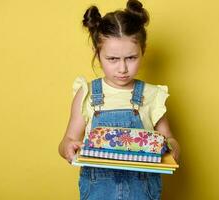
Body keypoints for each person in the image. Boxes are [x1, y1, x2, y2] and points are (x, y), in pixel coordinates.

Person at [58, 0, 180, 199]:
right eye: (113, 59)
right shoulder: (87, 93)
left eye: (131, 58)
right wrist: (68, 149)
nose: (122, 69)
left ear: (143, 51)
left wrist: (173, 149)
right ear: (98, 55)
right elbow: (67, 141)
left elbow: (169, 138)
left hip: (142, 191)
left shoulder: (152, 95)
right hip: (98, 191)